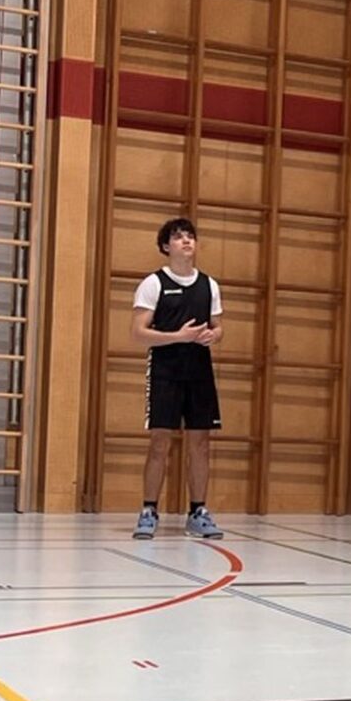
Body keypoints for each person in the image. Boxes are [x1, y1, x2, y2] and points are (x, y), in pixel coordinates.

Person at [130, 216, 226, 541]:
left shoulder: (209, 285)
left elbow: (217, 325)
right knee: (160, 442)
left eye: (190, 236)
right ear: (165, 246)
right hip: (165, 372)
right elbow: (138, 332)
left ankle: (198, 511)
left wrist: (214, 335)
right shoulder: (153, 283)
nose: (186, 241)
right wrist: (179, 337)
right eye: (178, 236)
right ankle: (148, 510)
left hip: (199, 373)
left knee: (200, 443)